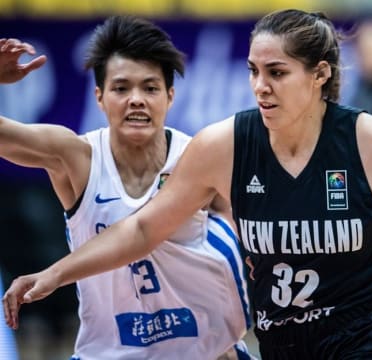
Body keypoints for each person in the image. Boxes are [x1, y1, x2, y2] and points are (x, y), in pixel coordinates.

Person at [3, 9, 372, 359]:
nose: (260, 86)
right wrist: (55, 274)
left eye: (276, 72)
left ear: (320, 74)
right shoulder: (225, 146)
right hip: (287, 341)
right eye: (253, 71)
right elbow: (143, 228)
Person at [0, 18, 253, 360]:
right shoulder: (77, 157)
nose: (136, 100)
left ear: (170, 97)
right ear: (100, 97)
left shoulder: (199, 159)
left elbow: (245, 247)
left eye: (150, 88)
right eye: (121, 89)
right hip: (107, 352)